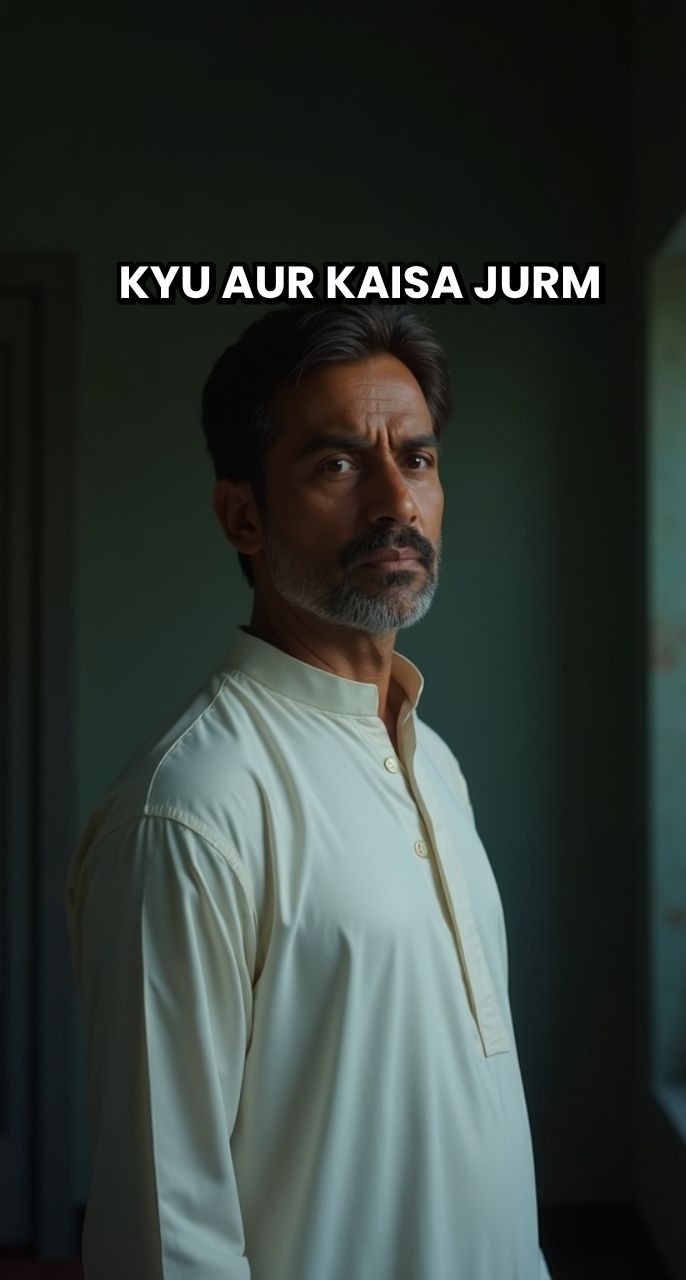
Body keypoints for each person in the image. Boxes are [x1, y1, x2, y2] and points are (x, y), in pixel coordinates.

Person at [66, 303, 552, 1279]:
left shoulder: (433, 761)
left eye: (417, 459)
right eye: (337, 463)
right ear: (242, 515)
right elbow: (166, 1231)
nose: (395, 500)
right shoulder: (190, 810)